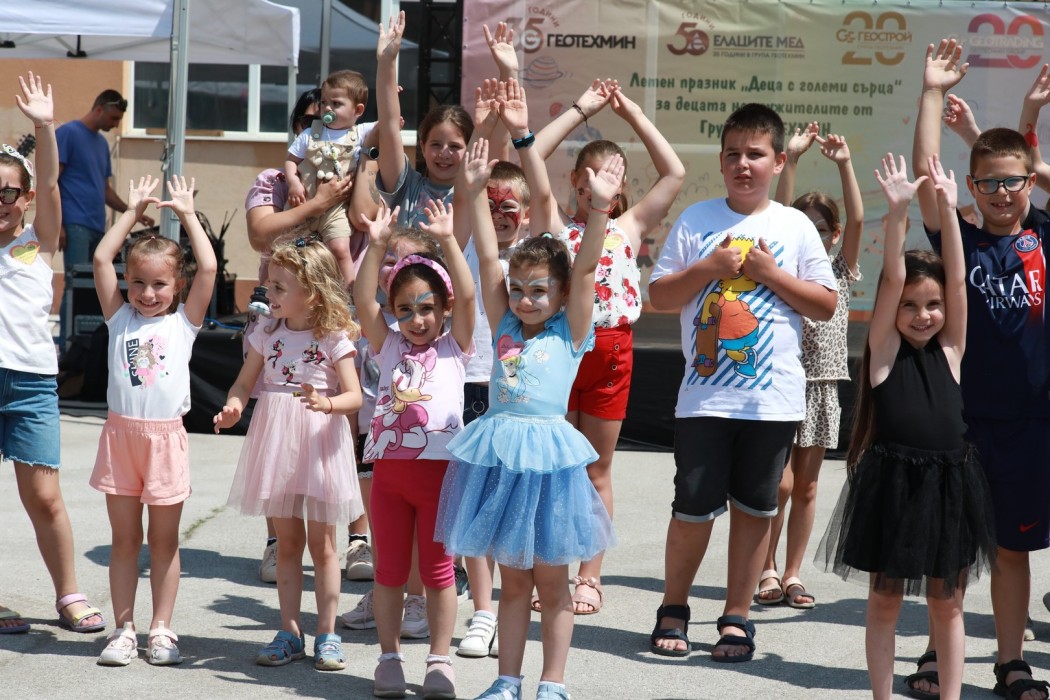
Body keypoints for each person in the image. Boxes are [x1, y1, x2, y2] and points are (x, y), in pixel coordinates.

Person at [647, 103, 837, 662]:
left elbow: (825, 305)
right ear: (721, 161)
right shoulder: (696, 219)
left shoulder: (794, 226)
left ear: (777, 161)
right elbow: (660, 296)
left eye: (755, 154)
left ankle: (736, 616)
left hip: (772, 402)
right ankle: (674, 608)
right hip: (704, 399)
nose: (743, 164)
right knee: (692, 507)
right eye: (732, 154)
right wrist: (709, 267)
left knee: (756, 510)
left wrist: (770, 274)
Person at [435, 133, 617, 700]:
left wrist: (599, 209)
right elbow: (490, 261)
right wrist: (471, 194)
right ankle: (506, 680)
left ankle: (553, 683)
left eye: (539, 291)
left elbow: (584, 271)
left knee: (552, 586)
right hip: (502, 462)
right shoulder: (506, 325)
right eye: (518, 290)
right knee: (513, 584)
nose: (524, 299)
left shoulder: (571, 331)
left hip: (549, 466)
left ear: (560, 297)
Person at [819, 153, 996, 700]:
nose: (923, 314)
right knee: (884, 601)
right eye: (911, 306)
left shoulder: (952, 349)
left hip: (950, 484)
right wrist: (897, 211)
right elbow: (894, 275)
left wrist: (949, 208)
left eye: (932, 305)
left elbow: (959, 281)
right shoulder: (884, 352)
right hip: (893, 484)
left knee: (948, 604)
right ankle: (881, 695)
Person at [912, 39, 1050, 700]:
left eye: (1012, 181)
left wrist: (1031, 154)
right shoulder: (958, 240)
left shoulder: (1043, 236)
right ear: (970, 188)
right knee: (952, 549)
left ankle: (1010, 662)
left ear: (1030, 182)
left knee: (1012, 551)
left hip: (1031, 424)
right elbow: (925, 171)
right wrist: (931, 93)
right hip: (963, 421)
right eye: (988, 182)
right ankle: (937, 655)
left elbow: (1025, 173)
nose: (1001, 192)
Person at [532, 78, 685, 614]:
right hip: (559, 351)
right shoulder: (553, 225)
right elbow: (532, 153)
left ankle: (589, 575)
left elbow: (674, 173)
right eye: (587, 181)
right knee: (555, 467)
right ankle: (550, 570)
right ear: (575, 182)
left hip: (612, 352)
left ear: (619, 191)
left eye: (610, 182)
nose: (597, 189)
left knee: (596, 469)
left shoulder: (628, 226)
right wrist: (581, 110)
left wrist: (633, 115)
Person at [215, 237, 365, 671]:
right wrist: (234, 405)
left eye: (280, 287)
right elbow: (244, 383)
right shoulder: (266, 333)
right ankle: (290, 631)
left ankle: (328, 634)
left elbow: (355, 396)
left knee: (324, 545)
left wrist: (327, 404)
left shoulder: (333, 337)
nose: (270, 293)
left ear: (312, 292)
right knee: (287, 543)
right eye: (270, 285)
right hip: (277, 441)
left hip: (318, 443)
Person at [89, 174, 217, 666]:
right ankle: (123, 629)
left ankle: (161, 628)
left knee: (163, 543)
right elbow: (101, 258)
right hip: (120, 438)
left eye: (159, 284)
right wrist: (132, 210)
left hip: (165, 441)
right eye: (138, 282)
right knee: (125, 541)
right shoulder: (118, 317)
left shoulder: (184, 323)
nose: (147, 293)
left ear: (177, 286)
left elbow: (208, 266)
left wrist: (185, 213)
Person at [244, 87, 366, 585]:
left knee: (341, 427)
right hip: (280, 318)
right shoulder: (272, 180)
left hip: (339, 314)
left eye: (334, 117)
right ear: (299, 130)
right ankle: (279, 540)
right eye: (314, 120)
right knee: (279, 432)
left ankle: (356, 536)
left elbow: (366, 218)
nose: (325, 126)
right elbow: (260, 234)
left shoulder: (354, 170)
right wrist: (315, 201)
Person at [0, 72, 107, 636]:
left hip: (32, 384)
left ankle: (69, 595)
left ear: (24, 199)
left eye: (7, 192)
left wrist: (44, 127)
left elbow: (51, 181)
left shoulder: (37, 240)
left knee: (44, 496)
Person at [356, 198, 475, 699]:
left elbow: (469, 296)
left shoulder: (455, 346)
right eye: (405, 310)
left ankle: (440, 662)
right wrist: (377, 244)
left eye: (427, 308)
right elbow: (363, 299)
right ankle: (388, 659)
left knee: (438, 573)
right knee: (387, 571)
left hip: (440, 478)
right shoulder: (387, 344)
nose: (417, 319)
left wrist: (448, 241)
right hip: (390, 477)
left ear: (444, 308)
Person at [758, 124, 863, 610]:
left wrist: (845, 163)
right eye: (805, 227)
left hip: (822, 387)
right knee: (777, 484)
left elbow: (857, 218)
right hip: (782, 380)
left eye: (822, 229)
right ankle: (766, 567)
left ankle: (793, 573)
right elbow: (778, 214)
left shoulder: (838, 269)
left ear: (833, 235)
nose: (814, 235)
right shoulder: (784, 268)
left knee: (806, 486)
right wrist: (793, 160)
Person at [339, 227, 446, 639]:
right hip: (378, 438)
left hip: (424, 449)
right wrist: (376, 244)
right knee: (385, 527)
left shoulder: (435, 331)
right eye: (390, 260)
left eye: (410, 261)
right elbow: (362, 295)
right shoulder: (380, 325)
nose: (398, 269)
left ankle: (416, 598)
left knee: (421, 534)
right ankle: (387, 591)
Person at [56, 89, 154, 350]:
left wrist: (133, 212)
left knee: (96, 287)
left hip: (98, 227)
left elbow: (105, 190)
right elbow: (52, 181)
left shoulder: (101, 144)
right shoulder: (68, 133)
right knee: (74, 286)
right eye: (113, 118)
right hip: (74, 225)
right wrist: (59, 224)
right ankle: (68, 349)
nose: (116, 124)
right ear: (98, 109)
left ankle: (91, 350)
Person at [375, 11, 473, 228]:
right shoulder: (406, 186)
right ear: (422, 146)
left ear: (469, 150)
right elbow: (389, 128)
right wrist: (386, 62)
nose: (444, 153)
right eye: (436, 144)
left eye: (455, 146)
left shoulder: (477, 196)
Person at [284, 70, 376, 288]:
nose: (327, 108)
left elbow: (387, 124)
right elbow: (290, 161)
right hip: (303, 206)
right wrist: (294, 183)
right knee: (288, 250)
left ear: (358, 110)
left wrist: (392, 97)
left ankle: (350, 293)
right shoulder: (309, 134)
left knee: (340, 250)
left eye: (336, 104)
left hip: (335, 210)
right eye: (324, 102)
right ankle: (278, 289)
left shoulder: (360, 132)